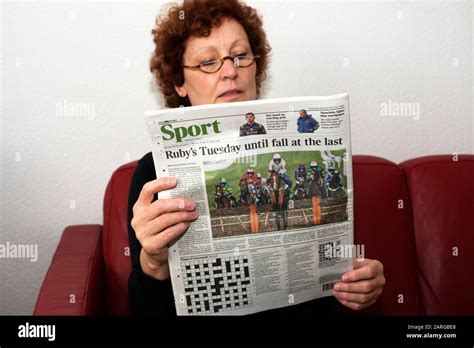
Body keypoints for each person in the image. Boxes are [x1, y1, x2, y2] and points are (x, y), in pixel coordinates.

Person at [128, 0, 385, 318]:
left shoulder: (306, 143)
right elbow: (145, 309)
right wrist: (152, 262)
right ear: (179, 82)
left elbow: (331, 273)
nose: (230, 71)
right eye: (209, 62)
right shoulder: (152, 172)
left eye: (240, 56)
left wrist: (360, 282)